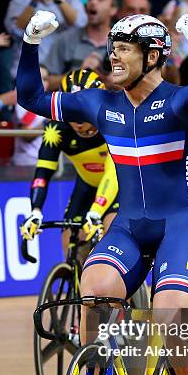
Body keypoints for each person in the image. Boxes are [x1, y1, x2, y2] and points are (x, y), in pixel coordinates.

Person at [17, 8, 188, 375]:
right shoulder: (100, 104)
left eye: (124, 48)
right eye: (112, 46)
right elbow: (31, 96)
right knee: (93, 289)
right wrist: (30, 42)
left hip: (179, 224)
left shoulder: (179, 100)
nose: (113, 55)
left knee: (169, 320)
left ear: (153, 55)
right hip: (130, 226)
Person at [20, 68, 119, 256]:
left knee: (110, 227)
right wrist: (35, 211)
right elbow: (42, 172)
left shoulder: (113, 122)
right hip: (87, 186)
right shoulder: (55, 130)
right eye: (71, 112)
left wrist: (97, 212)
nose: (78, 122)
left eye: (83, 112)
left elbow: (112, 174)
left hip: (121, 186)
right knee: (69, 240)